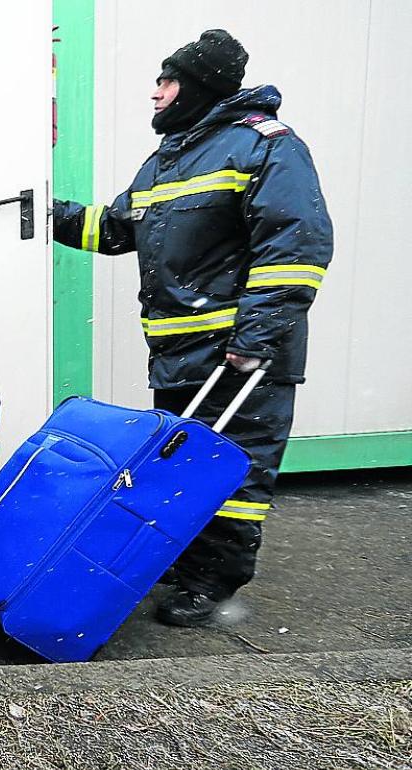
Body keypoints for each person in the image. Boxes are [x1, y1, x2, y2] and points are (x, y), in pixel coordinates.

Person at [52, 30, 333, 626]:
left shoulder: (265, 148)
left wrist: (255, 341)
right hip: (179, 352)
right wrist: (50, 216)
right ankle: (186, 562)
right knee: (184, 467)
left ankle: (215, 584)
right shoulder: (171, 158)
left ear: (197, 87)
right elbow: (117, 226)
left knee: (236, 474)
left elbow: (296, 247)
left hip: (240, 352)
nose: (156, 94)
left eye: (166, 81)